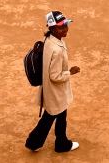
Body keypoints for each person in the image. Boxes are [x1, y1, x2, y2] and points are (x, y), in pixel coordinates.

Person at [25, 11, 80, 153]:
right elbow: (55, 76)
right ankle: (50, 143)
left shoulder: (49, 40)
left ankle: (51, 142)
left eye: (65, 25)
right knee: (51, 117)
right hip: (56, 90)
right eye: (60, 27)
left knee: (58, 115)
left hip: (52, 90)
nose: (65, 29)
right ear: (52, 29)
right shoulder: (57, 50)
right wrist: (70, 73)